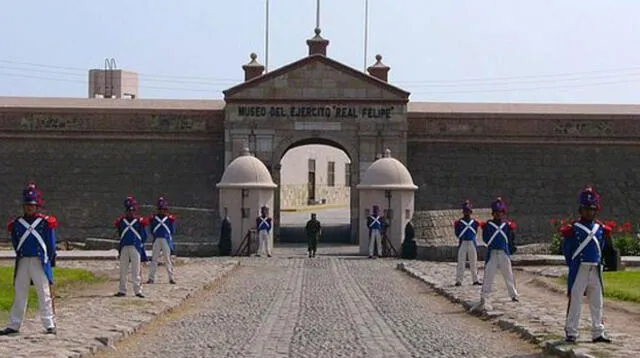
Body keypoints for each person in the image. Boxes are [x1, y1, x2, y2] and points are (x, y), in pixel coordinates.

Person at [0, 184, 57, 335]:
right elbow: (15, 243)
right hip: (23, 260)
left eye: (32, 205)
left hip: (39, 260)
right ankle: (14, 324)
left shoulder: (45, 222)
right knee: (20, 292)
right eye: (27, 205)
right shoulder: (17, 224)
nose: (29, 208)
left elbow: (50, 244)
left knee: (43, 292)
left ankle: (49, 323)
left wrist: (49, 260)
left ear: (36, 206)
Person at [561, 187, 613, 344]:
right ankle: (571, 331)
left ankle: (598, 331)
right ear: (580, 210)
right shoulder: (573, 229)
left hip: (595, 268)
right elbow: (567, 250)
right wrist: (573, 264)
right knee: (575, 299)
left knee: (597, 301)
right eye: (586, 209)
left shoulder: (600, 228)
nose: (589, 212)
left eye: (591, 209)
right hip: (580, 267)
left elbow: (602, 247)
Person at [475, 197, 519, 310]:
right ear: (493, 213)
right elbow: (486, 238)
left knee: (508, 274)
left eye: (500, 212)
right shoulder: (489, 225)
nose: (498, 215)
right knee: (488, 275)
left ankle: (513, 295)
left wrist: (512, 246)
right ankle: (484, 296)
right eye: (496, 213)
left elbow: (510, 238)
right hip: (493, 253)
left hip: (504, 252)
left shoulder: (507, 225)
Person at [114, 196, 148, 298]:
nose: (130, 213)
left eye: (132, 211)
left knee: (136, 270)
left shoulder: (139, 222)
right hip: (124, 246)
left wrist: (139, 243)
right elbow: (120, 233)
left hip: (135, 246)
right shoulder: (121, 222)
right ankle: (122, 290)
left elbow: (143, 235)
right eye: (129, 210)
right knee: (123, 270)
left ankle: (137, 290)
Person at [147, 196, 176, 284]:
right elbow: (151, 229)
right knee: (154, 259)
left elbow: (172, 230)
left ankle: (171, 277)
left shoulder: (169, 219)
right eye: (160, 209)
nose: (161, 210)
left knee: (167, 259)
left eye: (163, 209)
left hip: (165, 239)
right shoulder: (154, 219)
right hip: (157, 239)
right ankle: (151, 278)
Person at [454, 200, 482, 286]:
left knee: (473, 262)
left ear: (471, 212)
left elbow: (475, 231)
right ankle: (459, 280)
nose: (467, 213)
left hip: (472, 242)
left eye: (468, 211)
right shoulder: (459, 223)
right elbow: (457, 233)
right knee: (461, 262)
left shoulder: (474, 222)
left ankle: (475, 279)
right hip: (463, 242)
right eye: (466, 211)